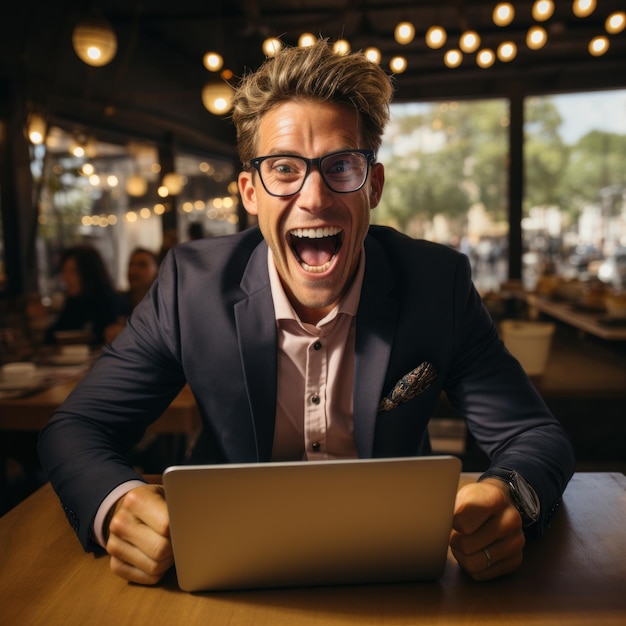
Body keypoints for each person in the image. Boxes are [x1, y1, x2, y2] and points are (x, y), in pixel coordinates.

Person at [38, 40, 575, 587]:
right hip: (226, 567)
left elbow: (535, 436)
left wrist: (511, 495)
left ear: (374, 186)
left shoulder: (438, 284)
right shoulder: (189, 287)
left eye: (342, 166)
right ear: (251, 192)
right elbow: (77, 428)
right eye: (284, 169)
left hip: (394, 568)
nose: (314, 198)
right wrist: (117, 502)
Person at [44, 245, 129, 346]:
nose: (65, 279)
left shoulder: (110, 302)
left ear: (89, 273)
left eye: (72, 272)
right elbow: (52, 338)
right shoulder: (74, 302)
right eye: (64, 272)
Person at [104, 247, 160, 344]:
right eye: (131, 265)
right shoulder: (117, 302)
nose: (134, 271)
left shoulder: (163, 305)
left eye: (142, 265)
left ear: (157, 270)